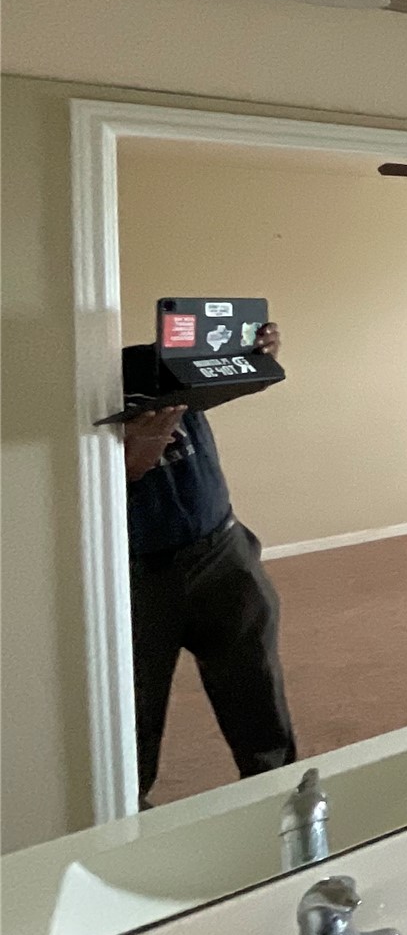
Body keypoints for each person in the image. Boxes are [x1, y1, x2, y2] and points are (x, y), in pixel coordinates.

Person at [122, 321, 296, 802]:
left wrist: (259, 354)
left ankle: (279, 802)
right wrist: (131, 461)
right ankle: (124, 822)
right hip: (132, 573)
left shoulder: (149, 362)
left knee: (258, 694)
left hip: (222, 550)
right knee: (129, 716)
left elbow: (236, 378)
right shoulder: (47, 394)